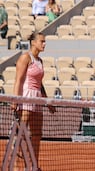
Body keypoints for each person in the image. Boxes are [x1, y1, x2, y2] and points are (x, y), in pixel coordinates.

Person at [11, 33, 56, 170]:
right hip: (25, 98)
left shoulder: (40, 61)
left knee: (37, 135)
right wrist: (15, 100)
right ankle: (16, 167)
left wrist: (47, 101)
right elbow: (18, 80)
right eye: (42, 41)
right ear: (33, 42)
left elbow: (40, 84)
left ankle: (34, 166)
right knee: (21, 135)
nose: (44, 44)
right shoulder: (25, 58)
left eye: (45, 41)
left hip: (37, 99)